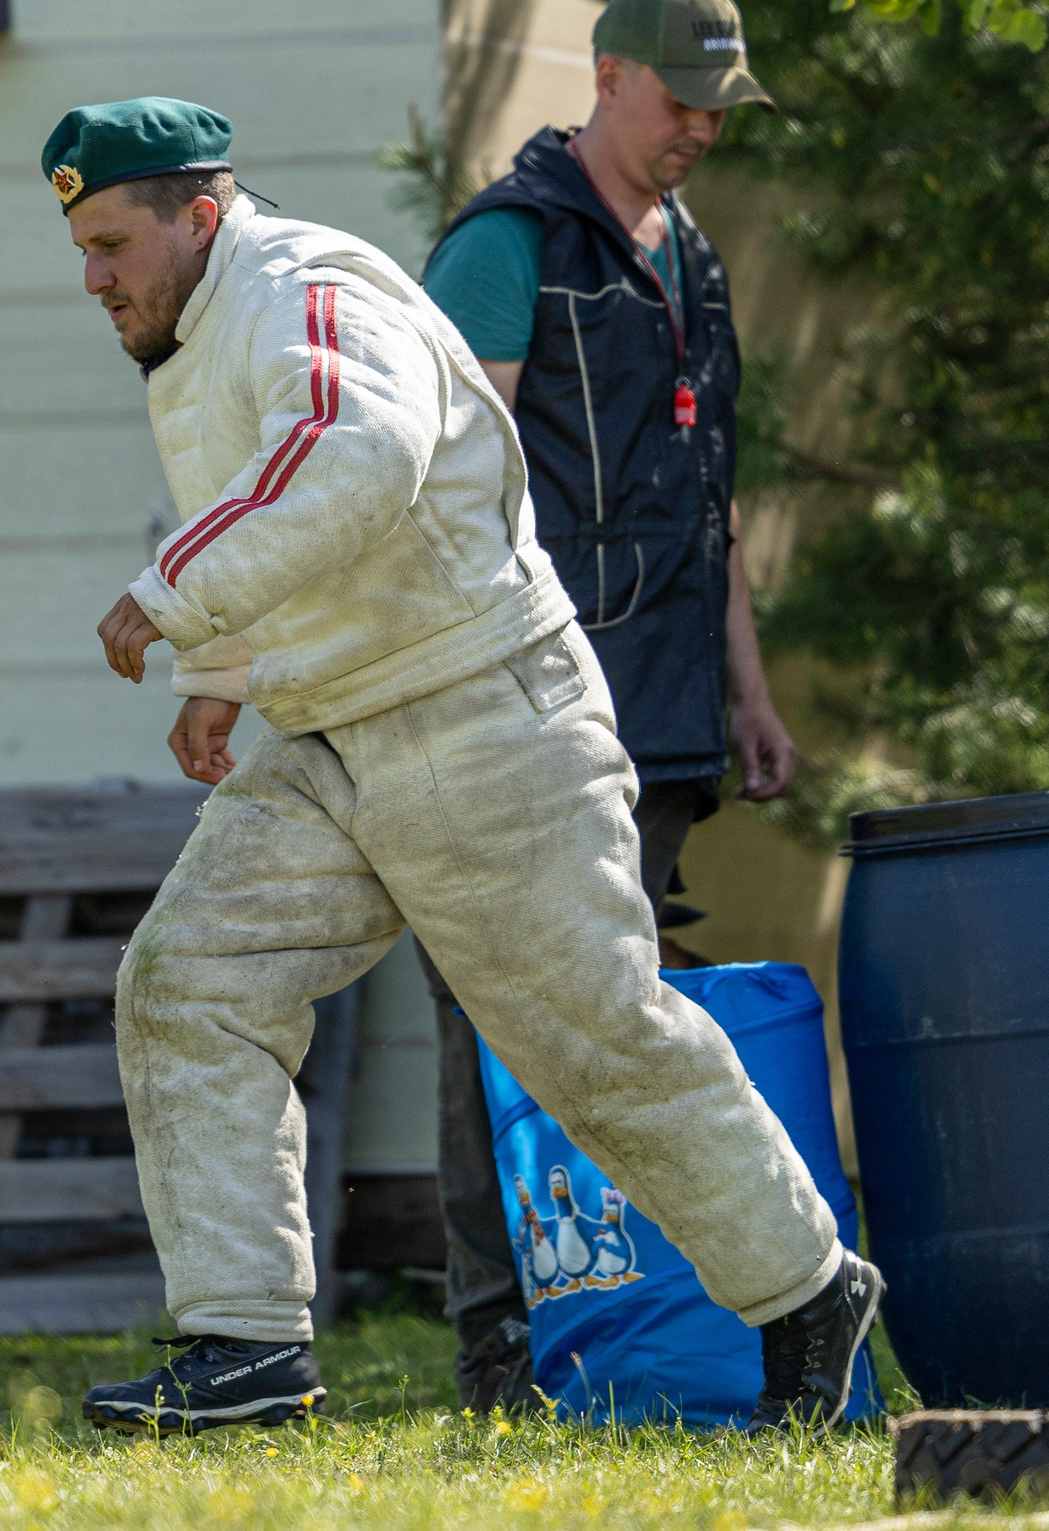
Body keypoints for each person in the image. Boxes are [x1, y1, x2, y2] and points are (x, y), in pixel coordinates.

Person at [47, 96, 881, 1435]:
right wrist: (223, 672)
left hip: (485, 717)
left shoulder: (305, 292)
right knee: (188, 979)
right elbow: (288, 500)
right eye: (81, 248)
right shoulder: (207, 319)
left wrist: (178, 593)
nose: (92, 276)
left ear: (199, 217)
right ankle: (247, 1348)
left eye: (110, 243)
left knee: (597, 1043)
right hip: (333, 729)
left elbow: (352, 455)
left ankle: (808, 1288)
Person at [414, 0, 798, 1409]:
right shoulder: (506, 250)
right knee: (504, 1023)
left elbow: (715, 497)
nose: (703, 127)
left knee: (615, 1023)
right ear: (608, 78)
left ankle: (626, 1334)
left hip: (671, 716)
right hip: (528, 717)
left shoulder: (688, 251)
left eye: (721, 107)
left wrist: (745, 691)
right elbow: (441, 493)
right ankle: (500, 1348)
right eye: (684, 100)